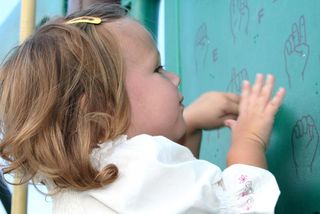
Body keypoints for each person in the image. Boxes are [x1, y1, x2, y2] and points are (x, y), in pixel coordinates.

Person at [0, 3, 285, 213]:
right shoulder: (138, 166)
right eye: (158, 69)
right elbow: (236, 208)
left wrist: (191, 122)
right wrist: (249, 141)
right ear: (102, 107)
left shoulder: (84, 186)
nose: (175, 77)